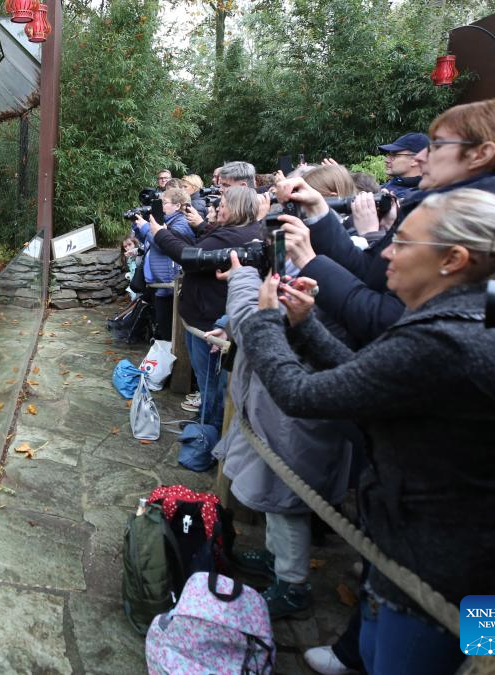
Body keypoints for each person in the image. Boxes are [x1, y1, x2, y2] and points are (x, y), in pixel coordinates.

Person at [234, 188, 495, 674]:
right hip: (478, 554)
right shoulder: (467, 317)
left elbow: (302, 395)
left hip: (435, 576)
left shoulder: (440, 338)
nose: (384, 252)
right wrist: (305, 326)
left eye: (403, 243)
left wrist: (266, 323)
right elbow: (372, 381)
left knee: (437, 663)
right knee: (399, 656)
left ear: (453, 259)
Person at [276, 97, 495, 347]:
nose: (420, 157)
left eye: (437, 145)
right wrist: (319, 209)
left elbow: (389, 320)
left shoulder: (476, 226)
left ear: (481, 154)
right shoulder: (434, 206)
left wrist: (308, 262)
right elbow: (368, 271)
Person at [216, 263, 353, 620]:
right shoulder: (328, 283)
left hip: (296, 422)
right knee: (277, 500)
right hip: (282, 417)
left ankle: (293, 586)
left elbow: (250, 325)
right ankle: (278, 561)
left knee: (287, 502)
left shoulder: (341, 283)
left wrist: (244, 277)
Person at [150, 186, 262, 426]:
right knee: (207, 380)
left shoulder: (231, 237)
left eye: (223, 204)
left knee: (209, 380)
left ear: (237, 208)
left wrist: (159, 233)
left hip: (209, 321)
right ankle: (206, 420)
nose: (217, 208)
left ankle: (207, 431)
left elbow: (190, 256)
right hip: (203, 316)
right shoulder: (236, 231)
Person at [131, 186, 194, 340]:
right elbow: (149, 242)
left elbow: (165, 244)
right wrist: (139, 227)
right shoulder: (164, 221)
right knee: (163, 328)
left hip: (171, 285)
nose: (160, 206)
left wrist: (147, 228)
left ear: (177, 205)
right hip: (160, 284)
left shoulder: (182, 223)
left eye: (164, 203)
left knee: (171, 333)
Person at [378, 132, 429, 200]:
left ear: (415, 160)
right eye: (388, 155)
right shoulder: (382, 188)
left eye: (394, 155)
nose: (386, 160)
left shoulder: (425, 197)